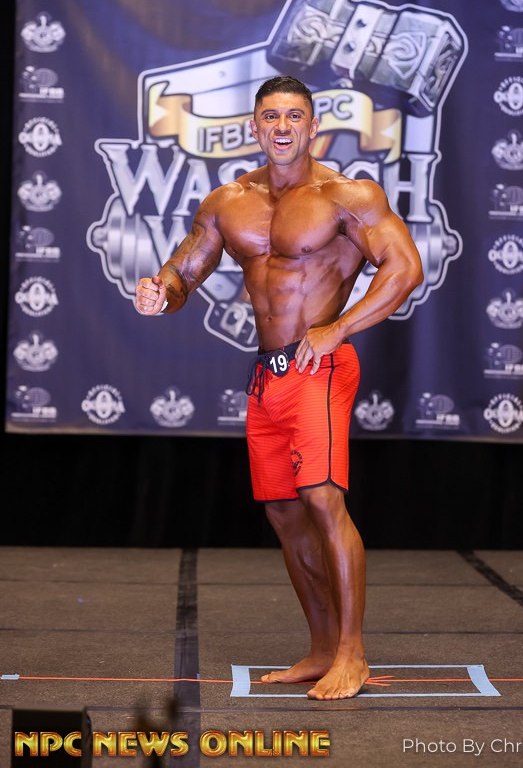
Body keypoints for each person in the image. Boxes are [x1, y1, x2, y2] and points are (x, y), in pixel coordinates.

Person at [135, 75, 423, 700]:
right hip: (267, 374)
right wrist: (162, 290)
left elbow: (405, 268)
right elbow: (186, 269)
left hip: (320, 367)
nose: (283, 127)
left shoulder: (346, 195)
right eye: (271, 116)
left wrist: (340, 327)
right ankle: (321, 648)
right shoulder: (228, 201)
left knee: (321, 500)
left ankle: (352, 654)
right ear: (255, 126)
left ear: (313, 126)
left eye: (294, 116)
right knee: (285, 513)